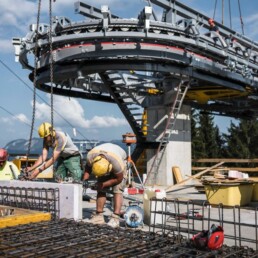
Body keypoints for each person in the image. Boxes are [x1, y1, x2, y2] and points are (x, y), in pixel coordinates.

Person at [83, 142, 127, 228]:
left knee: (117, 190)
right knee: (100, 190)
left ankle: (115, 218)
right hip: (107, 156)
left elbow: (119, 179)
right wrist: (85, 179)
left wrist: (103, 184)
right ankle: (99, 216)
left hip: (119, 158)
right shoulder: (90, 156)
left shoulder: (117, 164)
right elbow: (88, 167)